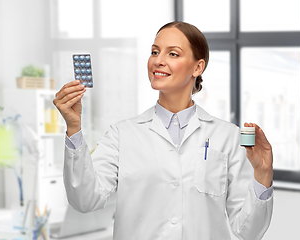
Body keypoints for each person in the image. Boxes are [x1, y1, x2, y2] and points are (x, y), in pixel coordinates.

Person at [53, 21, 273, 240]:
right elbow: (84, 200)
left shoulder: (227, 136)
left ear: (198, 67)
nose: (158, 61)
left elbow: (248, 231)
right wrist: (74, 128)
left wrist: (262, 174)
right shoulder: (122, 134)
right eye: (154, 52)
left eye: (173, 54)